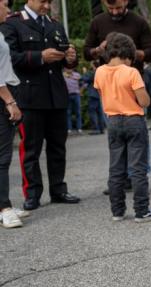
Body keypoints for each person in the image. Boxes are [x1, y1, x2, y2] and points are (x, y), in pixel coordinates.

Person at [0, 0, 81, 211]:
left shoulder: (54, 24)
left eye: (50, 1)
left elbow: (65, 58)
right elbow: (10, 58)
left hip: (56, 95)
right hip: (30, 97)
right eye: (43, 1)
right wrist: (40, 57)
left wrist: (71, 58)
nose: (47, 5)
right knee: (31, 149)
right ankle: (32, 193)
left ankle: (59, 189)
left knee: (58, 146)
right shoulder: (12, 24)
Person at [84, 0, 151, 194]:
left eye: (118, 7)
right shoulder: (98, 22)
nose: (114, 12)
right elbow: (86, 52)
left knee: (138, 134)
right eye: (110, 8)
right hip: (110, 84)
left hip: (134, 82)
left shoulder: (139, 22)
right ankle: (119, 178)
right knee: (116, 136)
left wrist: (131, 53)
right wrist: (100, 50)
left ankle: (137, 175)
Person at [94, 32, 151, 223]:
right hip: (134, 121)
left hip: (112, 121)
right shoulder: (131, 72)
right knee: (137, 168)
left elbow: (102, 97)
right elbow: (144, 101)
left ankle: (117, 211)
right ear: (129, 54)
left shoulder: (100, 72)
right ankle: (141, 211)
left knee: (116, 168)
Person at [0, 0, 28, 228]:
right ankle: (4, 208)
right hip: (2, 96)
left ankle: (3, 203)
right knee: (2, 157)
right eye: (4, 5)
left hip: (6, 92)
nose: (8, 11)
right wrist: (10, 101)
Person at [82, 61, 106, 135]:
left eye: (91, 65)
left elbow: (85, 79)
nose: (90, 66)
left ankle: (96, 129)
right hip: (99, 95)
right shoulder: (101, 72)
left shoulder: (94, 72)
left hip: (93, 95)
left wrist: (85, 72)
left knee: (92, 112)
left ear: (94, 65)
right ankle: (101, 128)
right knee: (99, 112)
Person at [63, 67, 82, 134]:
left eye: (70, 68)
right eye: (67, 68)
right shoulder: (63, 75)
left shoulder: (77, 75)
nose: (68, 69)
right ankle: (69, 129)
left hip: (76, 95)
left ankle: (79, 128)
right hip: (67, 95)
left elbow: (83, 83)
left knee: (78, 112)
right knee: (68, 113)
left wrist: (81, 90)